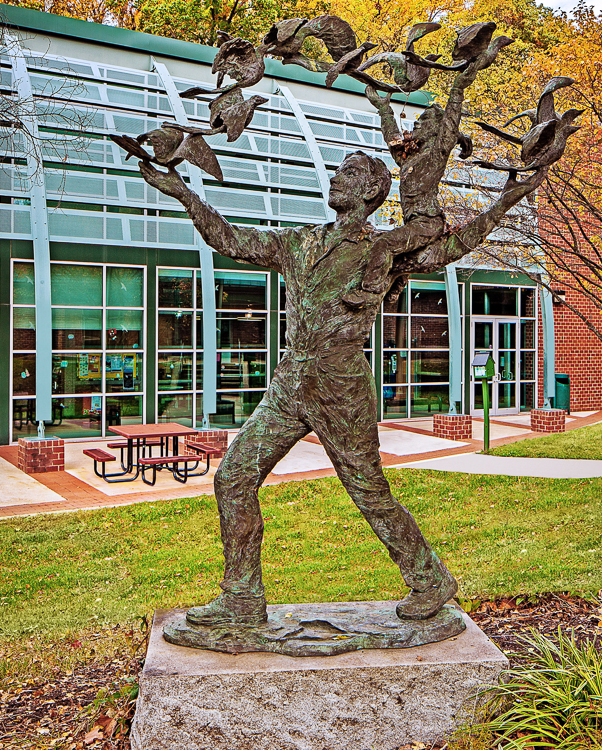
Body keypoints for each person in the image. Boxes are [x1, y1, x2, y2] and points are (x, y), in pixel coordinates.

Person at [137, 151, 457, 625]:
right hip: (292, 381)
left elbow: (449, 240)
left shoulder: (384, 249)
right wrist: (184, 193)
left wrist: (504, 193)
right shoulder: (300, 242)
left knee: (368, 490)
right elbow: (231, 239)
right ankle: (241, 596)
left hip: (340, 384)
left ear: (371, 191)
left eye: (348, 172)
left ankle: (430, 579)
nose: (335, 177)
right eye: (337, 169)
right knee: (233, 477)